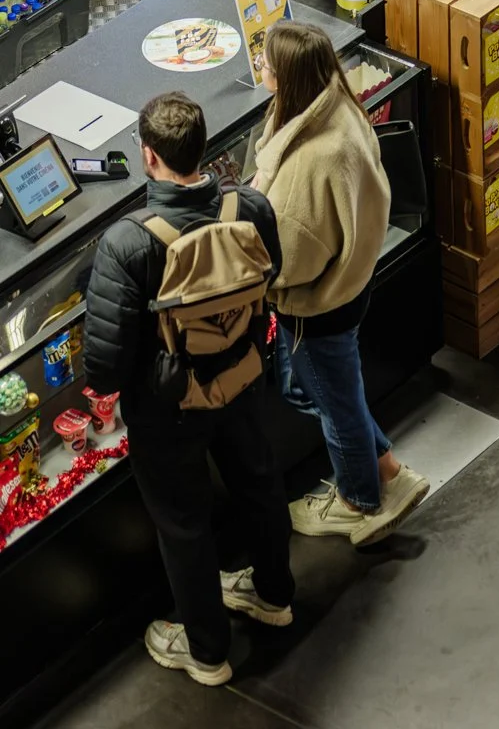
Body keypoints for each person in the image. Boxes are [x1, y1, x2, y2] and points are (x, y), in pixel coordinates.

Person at [83, 92, 293, 689]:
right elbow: (271, 274)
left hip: (169, 409)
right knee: (258, 484)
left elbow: (104, 368)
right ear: (203, 147)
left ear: (148, 156)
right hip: (242, 377)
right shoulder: (248, 207)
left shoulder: (128, 243)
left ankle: (207, 654)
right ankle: (274, 597)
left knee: (184, 525)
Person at [252, 22, 429, 545]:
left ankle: (359, 502)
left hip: (316, 307)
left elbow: (290, 259)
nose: (260, 68)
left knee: (334, 403)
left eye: (265, 63)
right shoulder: (339, 106)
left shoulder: (309, 162)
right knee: (322, 390)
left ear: (288, 78)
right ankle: (387, 469)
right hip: (350, 287)